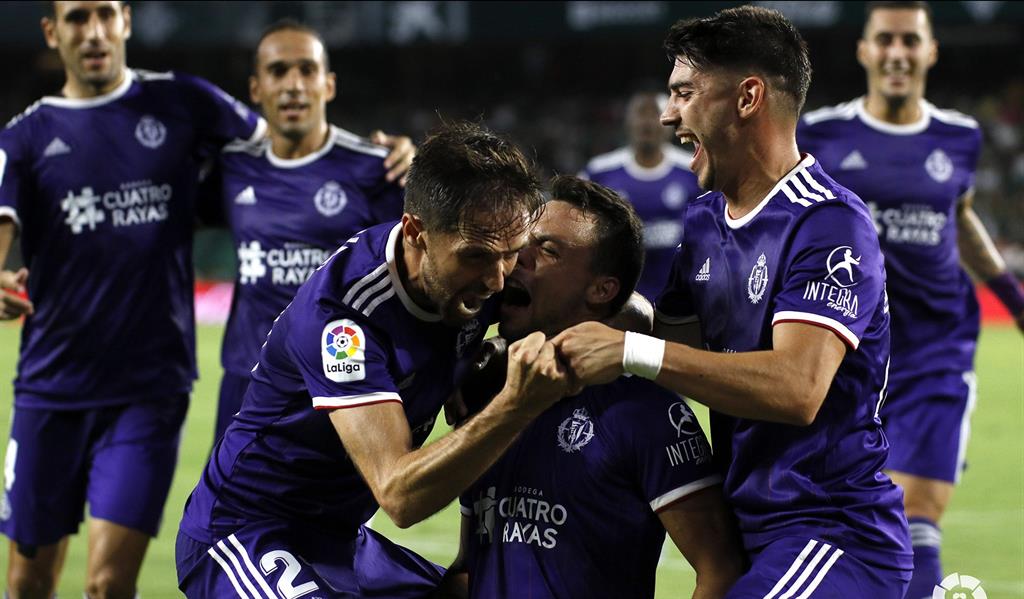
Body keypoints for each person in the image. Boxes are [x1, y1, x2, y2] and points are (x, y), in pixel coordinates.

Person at [552, 7, 913, 597]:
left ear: (748, 97)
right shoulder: (705, 220)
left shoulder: (827, 223)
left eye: (684, 93)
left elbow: (796, 388)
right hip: (751, 530)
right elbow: (674, 340)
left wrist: (628, 350)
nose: (668, 115)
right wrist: (565, 308)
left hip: (832, 533)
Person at [176, 122, 574, 598]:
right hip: (249, 530)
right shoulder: (343, 320)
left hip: (342, 539)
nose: (497, 279)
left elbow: (605, 301)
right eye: (476, 257)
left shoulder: (479, 260)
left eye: (511, 254)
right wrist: (516, 405)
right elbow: (400, 494)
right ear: (416, 232)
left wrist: (629, 341)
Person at [0, 2, 267, 597]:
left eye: (105, 14)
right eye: (77, 18)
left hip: (149, 391)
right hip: (51, 389)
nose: (93, 31)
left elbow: (285, 149)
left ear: (125, 20)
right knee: (27, 582)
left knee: (108, 585)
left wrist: (379, 157)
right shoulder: (25, 137)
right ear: (52, 32)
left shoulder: (182, 101)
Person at [796, 3, 1024, 595]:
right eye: (885, 40)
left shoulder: (960, 137)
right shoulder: (819, 135)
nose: (897, 52)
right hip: (847, 354)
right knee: (852, 520)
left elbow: (960, 217)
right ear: (864, 50)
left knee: (916, 509)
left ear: (930, 51)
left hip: (935, 351)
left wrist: (1013, 298)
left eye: (910, 41)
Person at [436, 175, 745, 599]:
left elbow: (721, 571)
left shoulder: (646, 413)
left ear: (602, 289)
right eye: (524, 242)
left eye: (547, 250)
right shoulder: (489, 399)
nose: (519, 258)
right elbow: (469, 568)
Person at [208, 19, 412, 441]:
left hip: (329, 385)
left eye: (307, 70)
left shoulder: (378, 169)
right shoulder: (232, 164)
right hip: (244, 381)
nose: (294, 85)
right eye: (278, 71)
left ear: (328, 85)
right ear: (256, 89)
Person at [581, 91, 702, 301]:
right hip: (616, 297)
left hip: (679, 297)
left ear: (671, 121)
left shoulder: (694, 170)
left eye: (654, 113)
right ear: (628, 121)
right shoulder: (598, 172)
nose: (647, 122)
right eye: (640, 113)